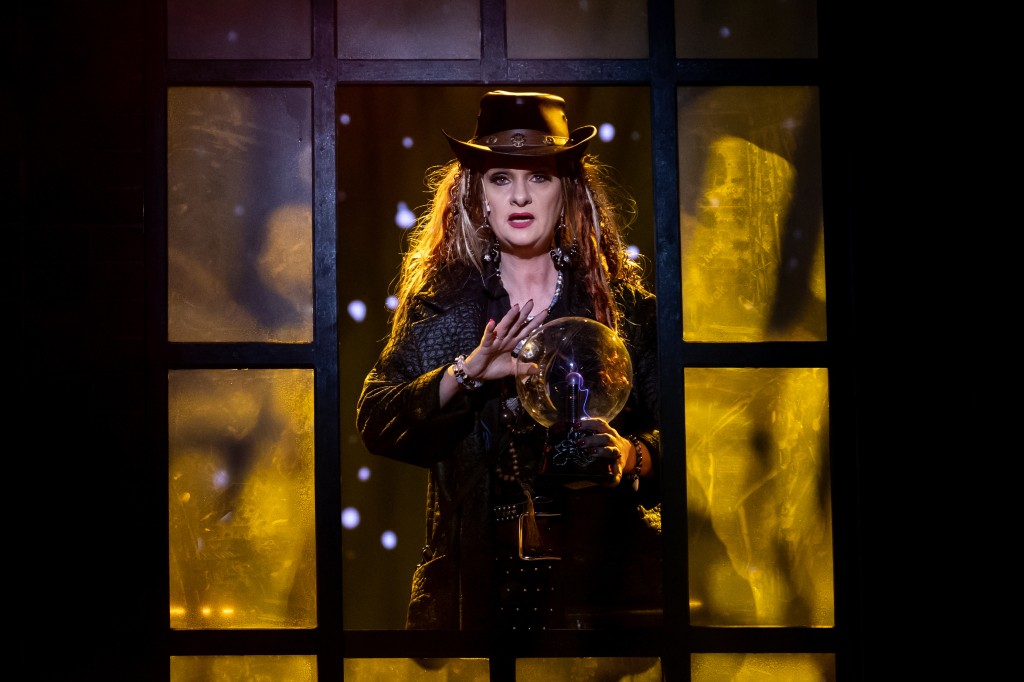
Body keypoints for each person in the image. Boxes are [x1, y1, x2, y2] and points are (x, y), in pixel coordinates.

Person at [357, 90, 661, 632]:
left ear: (567, 193)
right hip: (475, 595)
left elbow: (692, 436)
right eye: (501, 178)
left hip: (605, 597)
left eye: (539, 176)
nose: (520, 195)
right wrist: (466, 372)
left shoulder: (622, 308)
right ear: (479, 197)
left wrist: (631, 455)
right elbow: (376, 421)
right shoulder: (442, 306)